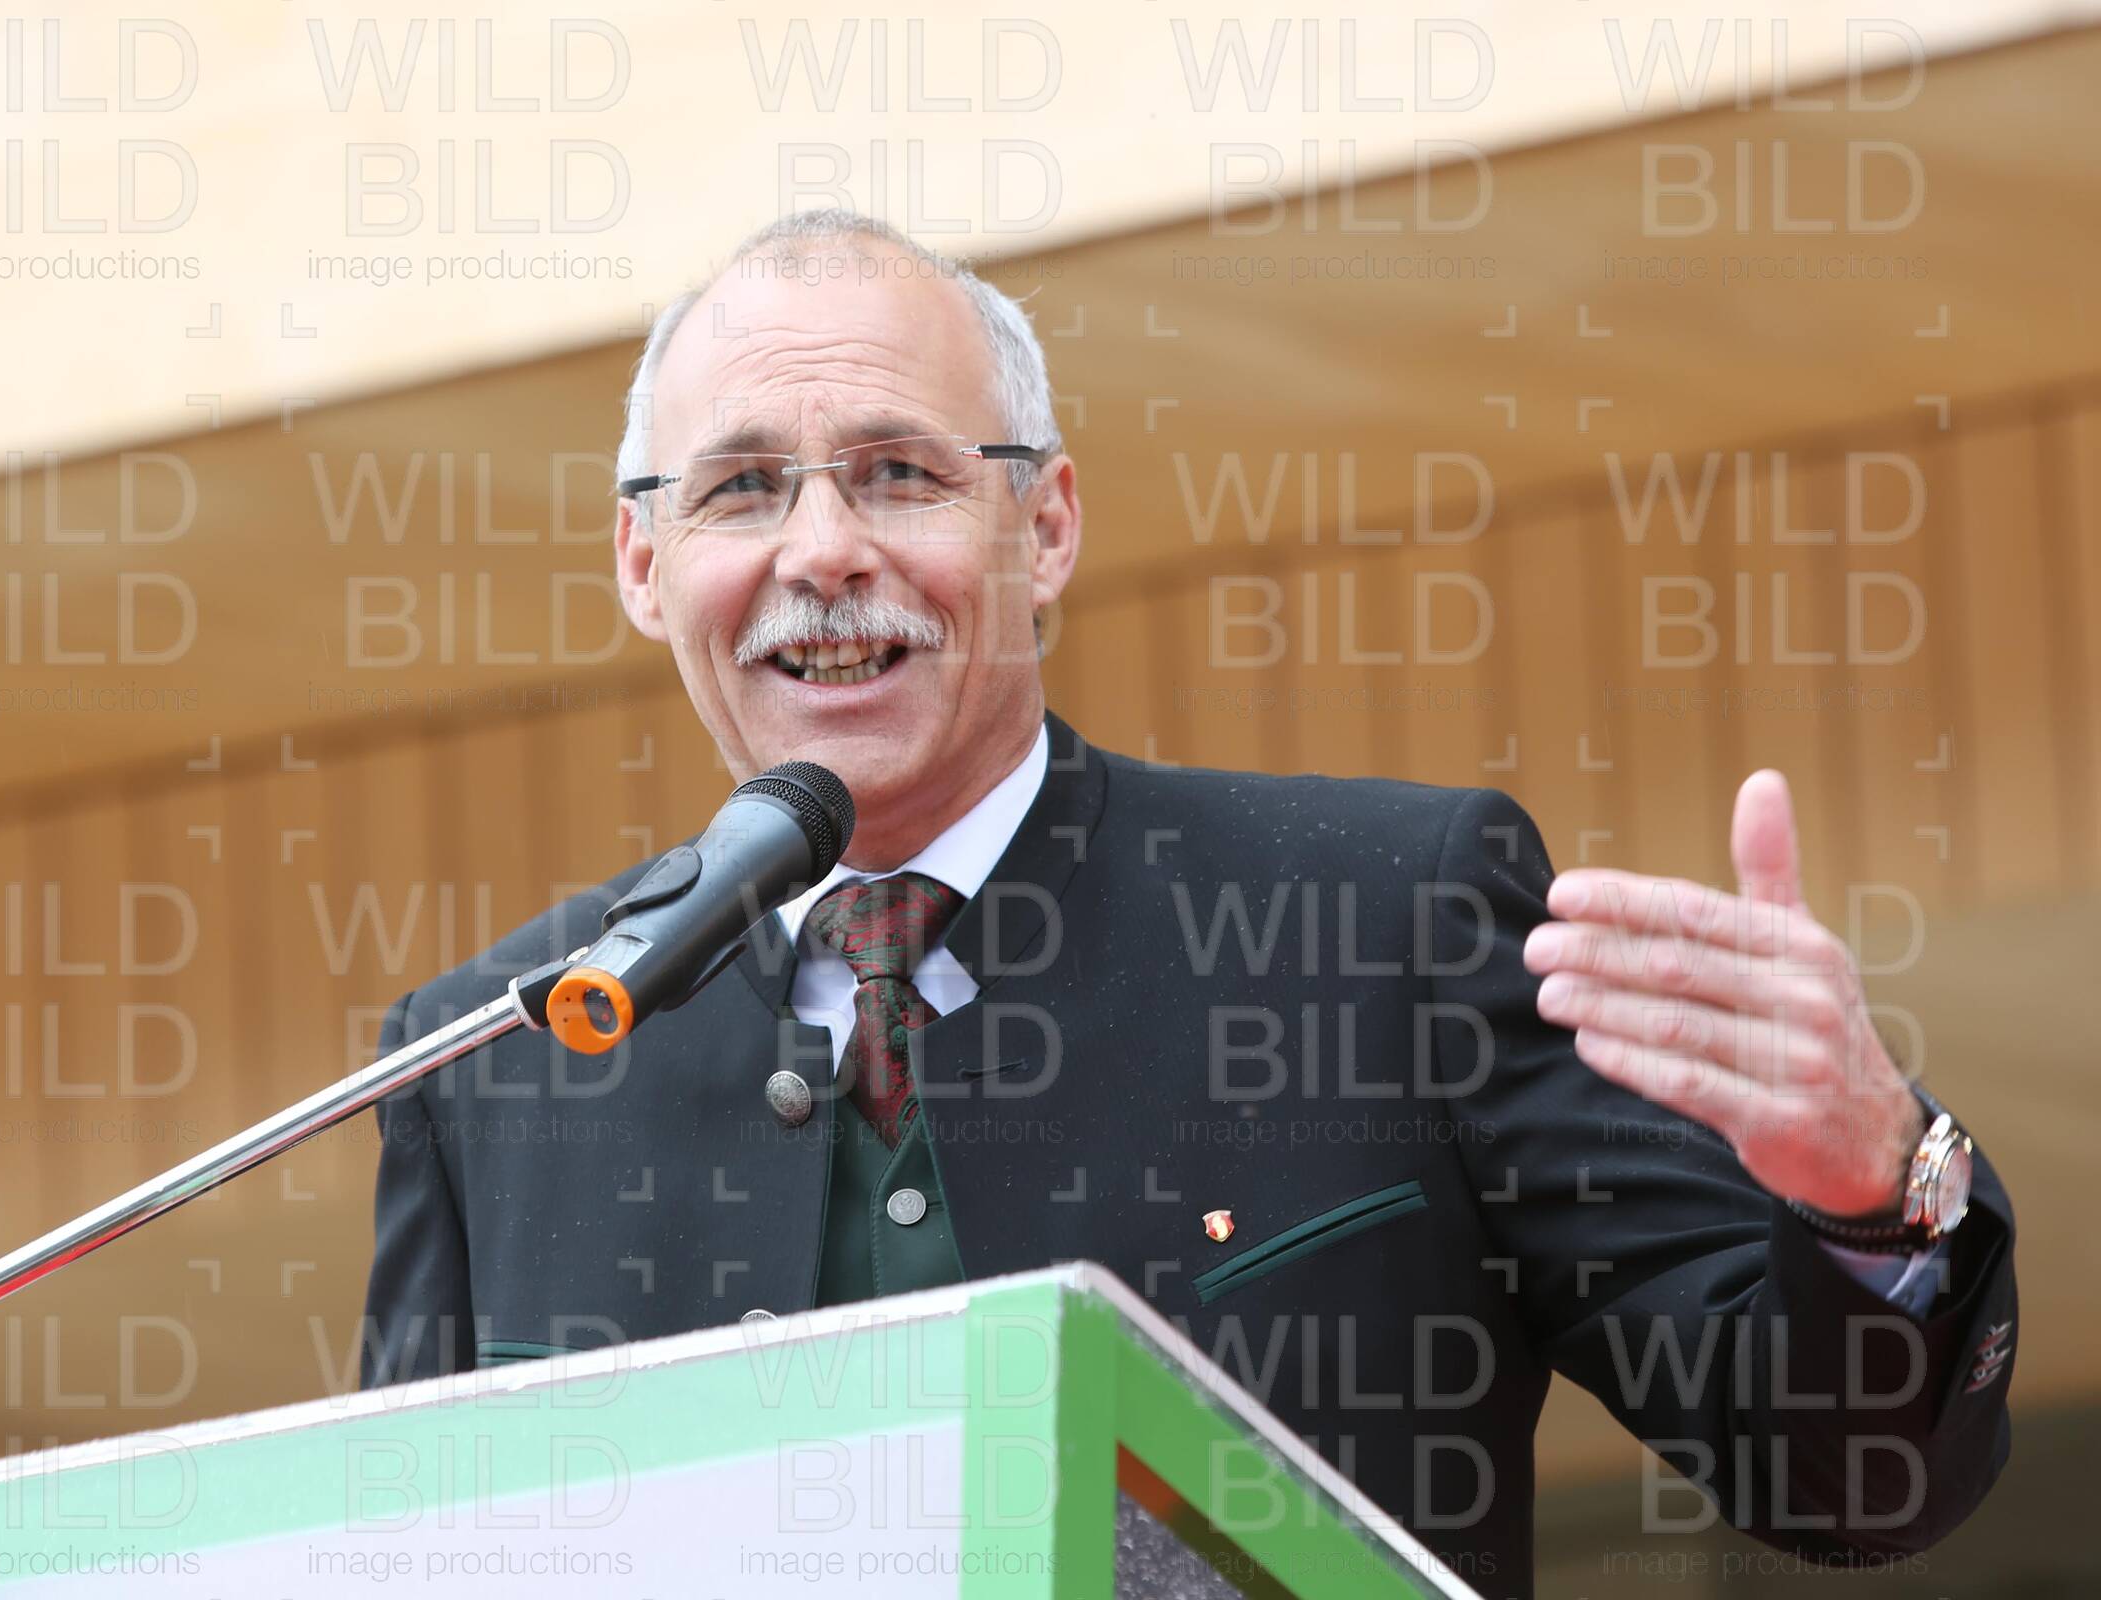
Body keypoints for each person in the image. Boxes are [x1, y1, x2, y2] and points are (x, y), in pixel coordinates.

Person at [361, 211, 2013, 1596]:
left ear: (1045, 526)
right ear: (644, 567)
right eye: (740, 490)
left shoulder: (1390, 921)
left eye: (899, 473)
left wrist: (1873, 1200)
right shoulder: (490, 1068)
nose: (823, 550)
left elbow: (1850, 1478)